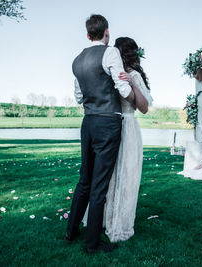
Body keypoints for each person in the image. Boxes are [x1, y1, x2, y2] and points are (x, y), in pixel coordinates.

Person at [65, 14, 135, 253]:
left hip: (88, 122)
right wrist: (131, 90)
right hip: (108, 123)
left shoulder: (77, 60)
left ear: (87, 34)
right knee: (99, 185)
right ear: (106, 32)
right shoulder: (110, 52)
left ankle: (70, 232)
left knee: (84, 180)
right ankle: (93, 243)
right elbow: (123, 88)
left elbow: (78, 97)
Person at [82, 37, 153, 243]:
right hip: (110, 126)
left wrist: (133, 84)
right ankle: (104, 220)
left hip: (128, 128)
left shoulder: (132, 75)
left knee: (126, 175)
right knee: (109, 177)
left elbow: (144, 107)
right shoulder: (110, 74)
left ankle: (118, 223)